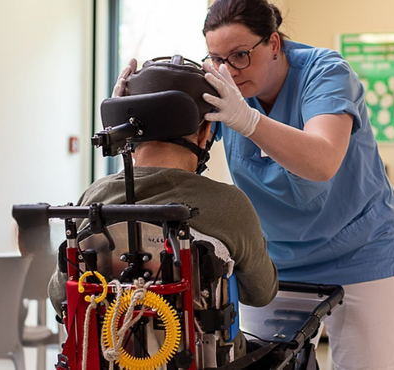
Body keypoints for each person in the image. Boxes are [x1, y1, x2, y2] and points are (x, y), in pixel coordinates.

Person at [109, 0, 394, 368]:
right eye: (216, 58)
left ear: (274, 44)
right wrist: (132, 111)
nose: (228, 70)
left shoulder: (326, 73)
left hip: (359, 250)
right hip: (275, 262)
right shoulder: (219, 82)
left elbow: (323, 161)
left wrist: (247, 120)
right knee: (263, 364)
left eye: (240, 55)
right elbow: (172, 146)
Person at [48, 55, 279, 359]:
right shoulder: (230, 205)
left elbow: (58, 295)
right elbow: (262, 294)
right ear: (204, 133)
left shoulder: (95, 196)